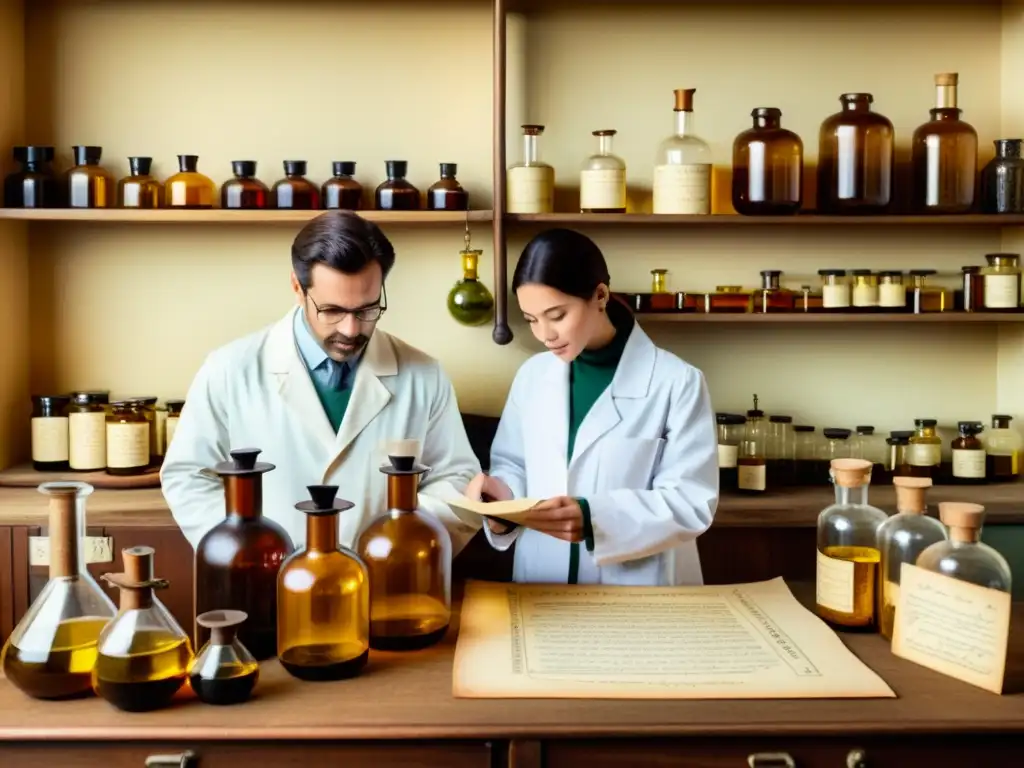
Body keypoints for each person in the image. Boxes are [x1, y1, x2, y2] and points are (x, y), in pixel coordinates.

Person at [162, 210, 482, 552]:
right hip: (269, 586)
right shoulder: (228, 370)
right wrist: (248, 554)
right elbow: (188, 477)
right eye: (332, 311)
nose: (351, 329)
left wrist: (395, 549)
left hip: (384, 586)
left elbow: (455, 480)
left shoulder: (424, 376)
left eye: (367, 309)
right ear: (297, 288)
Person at [465, 228, 718, 586]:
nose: (545, 335)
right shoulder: (532, 376)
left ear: (600, 295)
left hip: (638, 591)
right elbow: (514, 464)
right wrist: (500, 501)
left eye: (556, 315)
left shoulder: (677, 382)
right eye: (532, 319)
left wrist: (593, 517)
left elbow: (691, 502)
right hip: (541, 584)